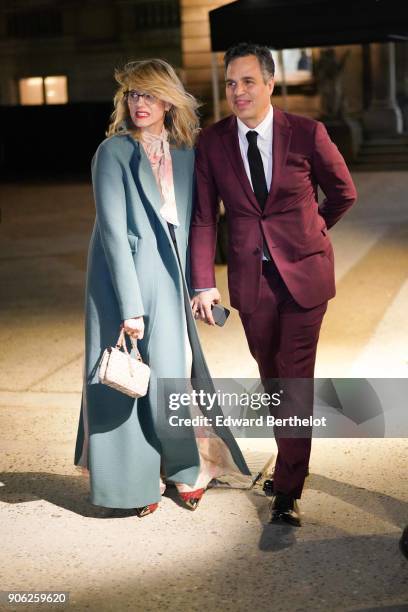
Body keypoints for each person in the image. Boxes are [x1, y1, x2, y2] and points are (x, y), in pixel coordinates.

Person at [190, 43, 357, 527]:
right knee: (271, 377)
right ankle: (289, 465)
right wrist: (203, 283)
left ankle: (287, 487)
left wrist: (311, 231)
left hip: (304, 277)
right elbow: (204, 219)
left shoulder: (307, 133)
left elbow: (344, 192)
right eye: (230, 83)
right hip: (251, 281)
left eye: (247, 81)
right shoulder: (213, 142)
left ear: (269, 83)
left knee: (293, 378)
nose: (237, 91)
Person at [74, 59, 250, 517]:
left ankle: (184, 469)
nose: (139, 104)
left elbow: (196, 225)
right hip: (120, 280)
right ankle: (133, 485)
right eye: (133, 95)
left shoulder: (188, 154)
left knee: (170, 380)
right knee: (125, 385)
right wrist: (130, 307)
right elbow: (113, 233)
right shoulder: (111, 152)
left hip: (171, 275)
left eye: (149, 95)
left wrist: (198, 284)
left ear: (168, 101)